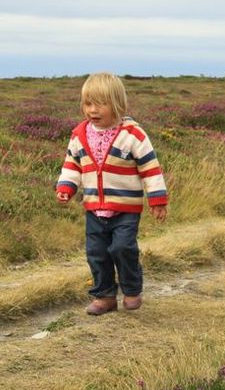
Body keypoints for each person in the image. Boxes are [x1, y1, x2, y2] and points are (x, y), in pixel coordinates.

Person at [55, 72, 168, 316]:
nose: (92, 110)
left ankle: (131, 290)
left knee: (122, 248)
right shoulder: (80, 135)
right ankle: (105, 297)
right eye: (88, 103)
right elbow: (72, 165)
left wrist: (157, 199)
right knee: (96, 254)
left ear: (118, 104)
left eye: (100, 104)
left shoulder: (133, 134)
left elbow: (150, 167)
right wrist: (66, 187)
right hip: (94, 207)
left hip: (125, 208)